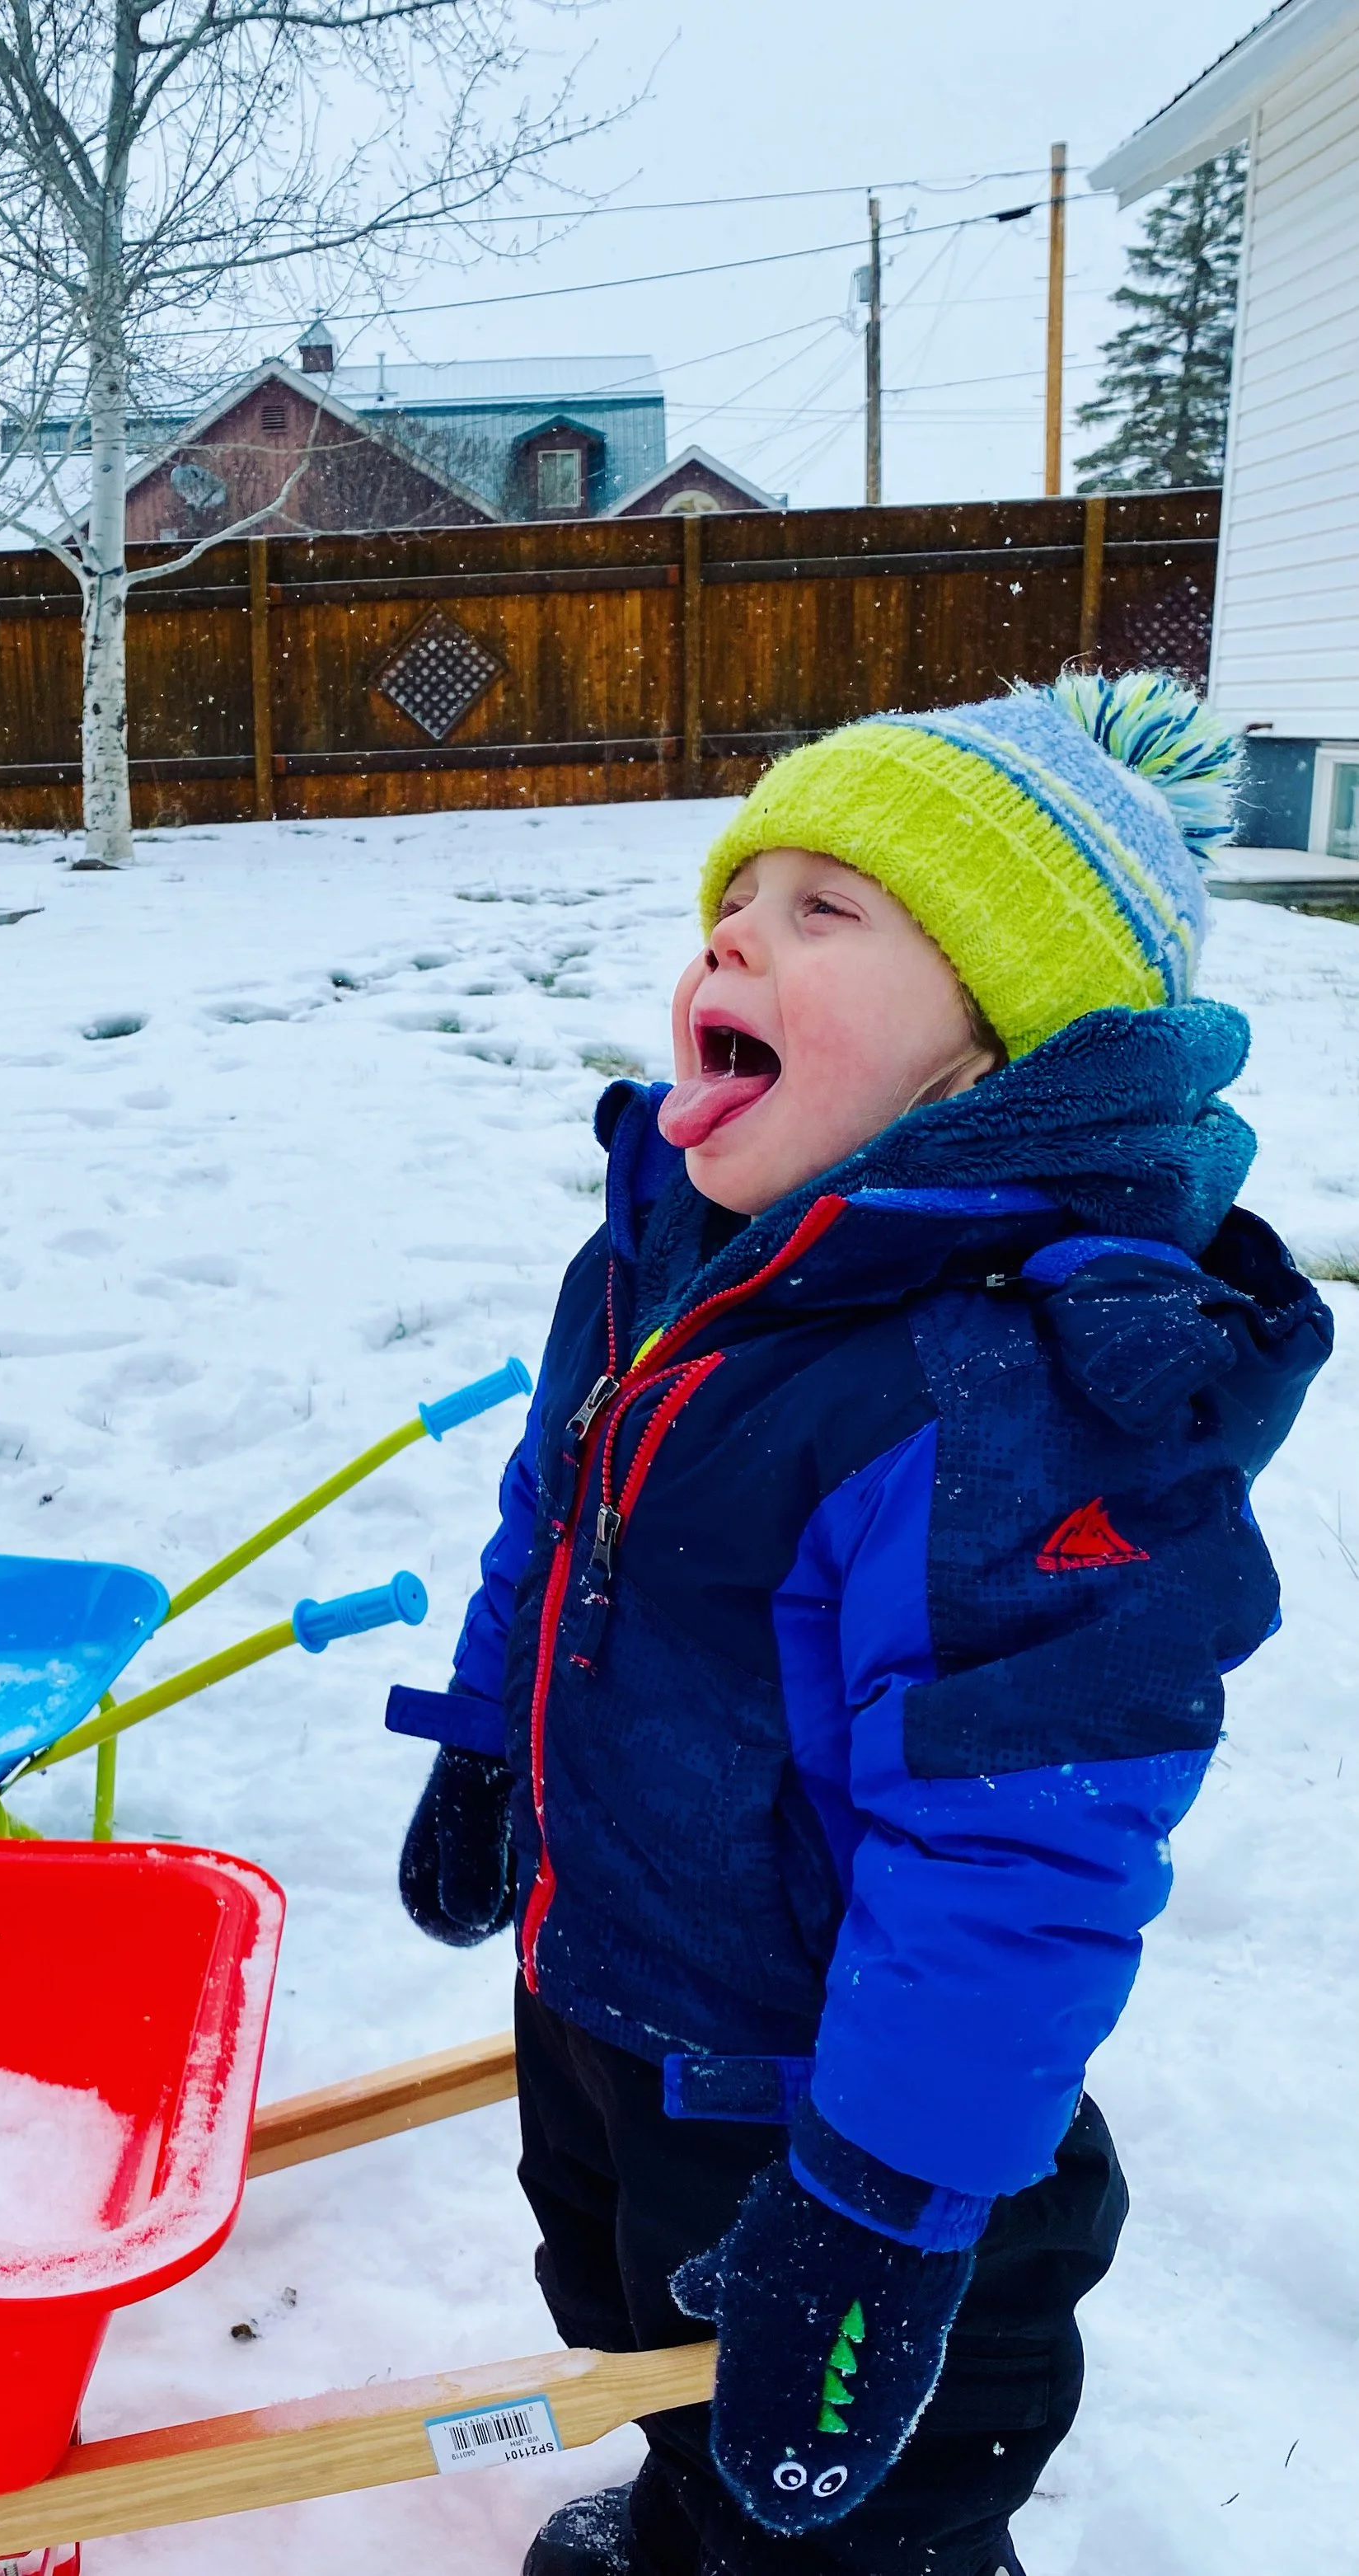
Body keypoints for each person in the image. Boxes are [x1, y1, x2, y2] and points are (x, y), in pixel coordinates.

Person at [386, 673, 1333, 2576]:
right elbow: (552, 1512)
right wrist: (492, 1731)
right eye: (737, 895)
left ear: (983, 1050)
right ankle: (686, 2519)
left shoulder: (1013, 1394)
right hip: (629, 1992)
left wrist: (880, 2207)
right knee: (651, 2337)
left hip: (839, 2102)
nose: (734, 930)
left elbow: (1017, 1845)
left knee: (851, 2487)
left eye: (828, 909)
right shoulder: (671, 1244)